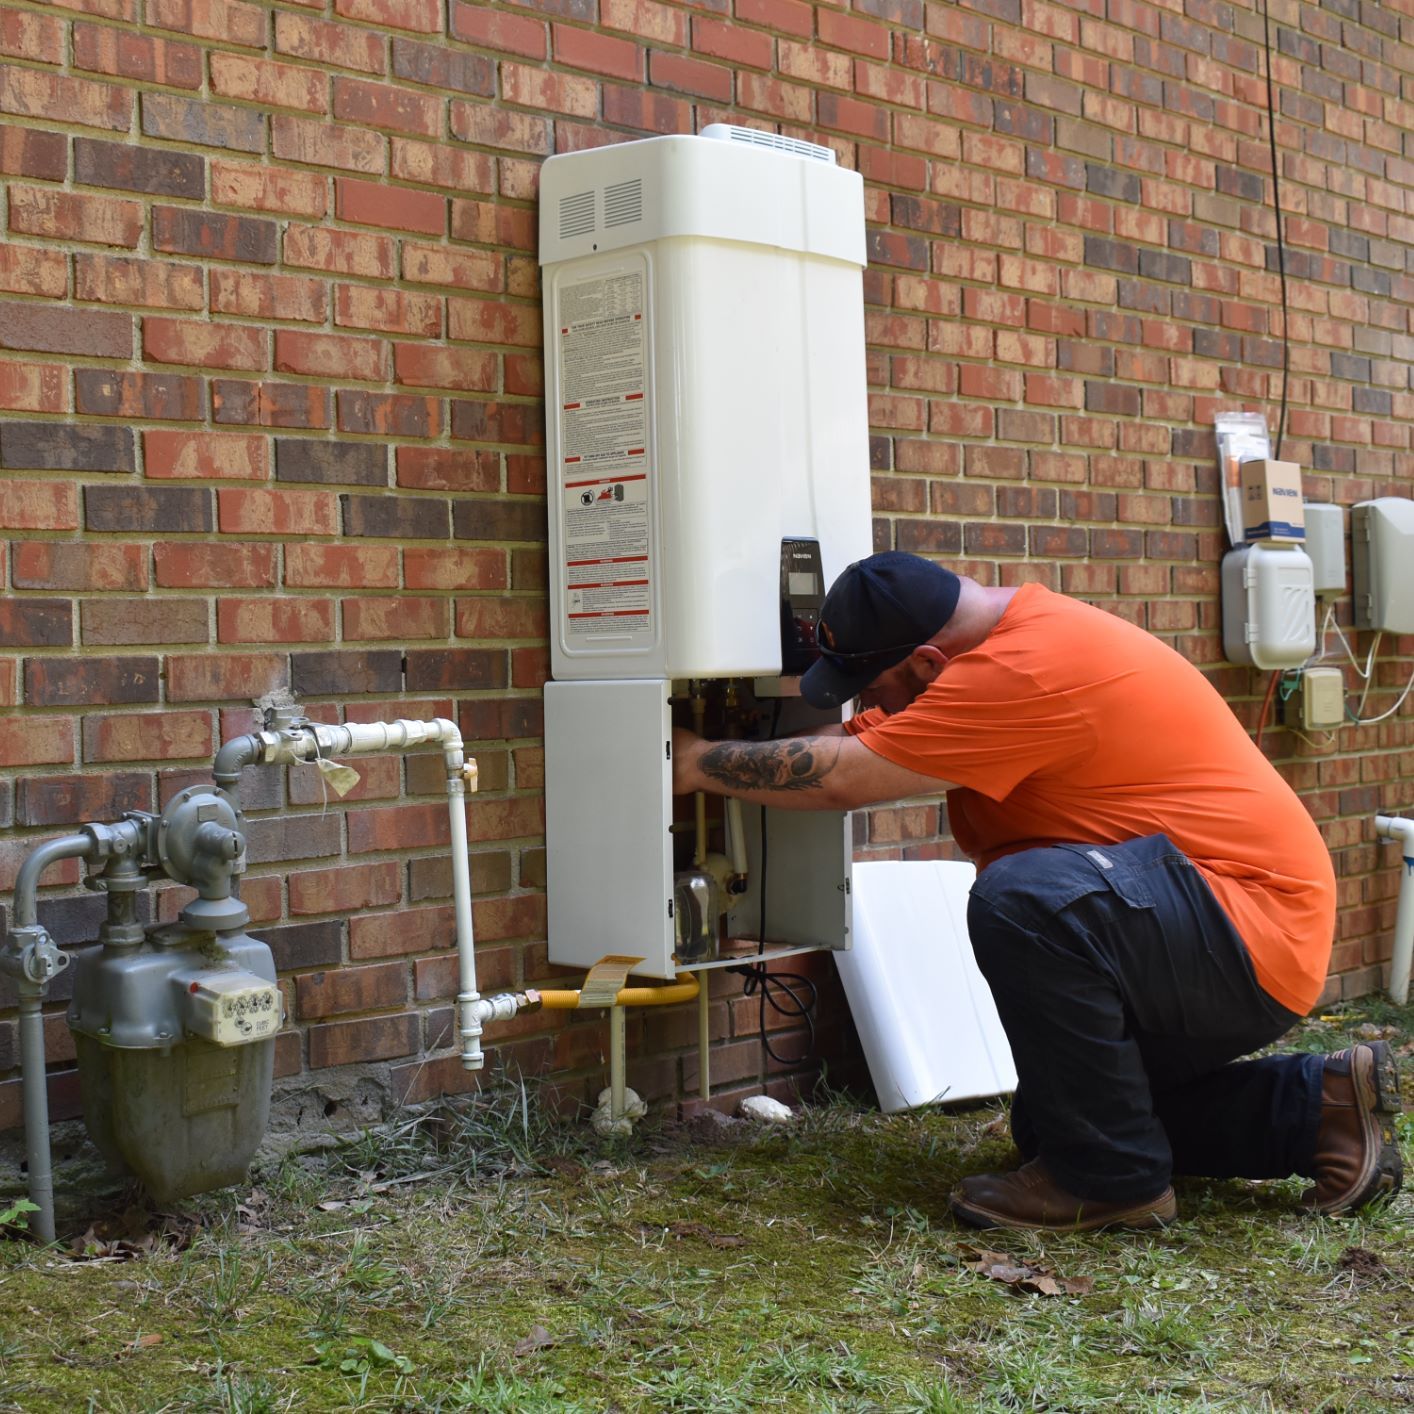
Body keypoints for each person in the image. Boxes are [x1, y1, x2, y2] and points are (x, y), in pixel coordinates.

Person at [671, 551, 1403, 1232]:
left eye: (873, 685)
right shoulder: (1001, 647)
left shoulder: (1021, 670)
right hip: (1214, 923)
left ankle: (1114, 1184)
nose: (868, 701)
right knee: (1056, 1125)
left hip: (1243, 925)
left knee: (1025, 899)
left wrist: (698, 763)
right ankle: (1319, 1109)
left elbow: (840, 777)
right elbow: (846, 749)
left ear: (928, 661)